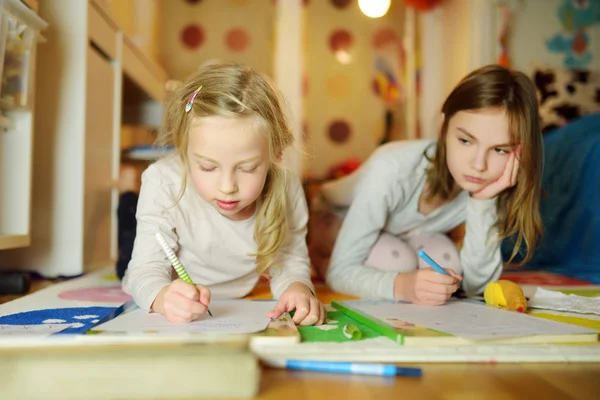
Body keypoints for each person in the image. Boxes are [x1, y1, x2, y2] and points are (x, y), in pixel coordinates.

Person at [311, 64, 543, 305]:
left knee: (446, 269)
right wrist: (403, 287)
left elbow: (476, 287)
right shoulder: (392, 167)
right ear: (443, 128)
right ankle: (318, 258)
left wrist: (483, 201)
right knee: (397, 263)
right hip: (333, 217)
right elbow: (342, 271)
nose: (479, 164)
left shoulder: (489, 185)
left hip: (405, 235)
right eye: (465, 140)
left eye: (499, 149)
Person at [123, 62, 325, 326]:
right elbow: (144, 269)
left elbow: (290, 260)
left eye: (247, 168)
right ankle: (126, 203)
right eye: (208, 167)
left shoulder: (287, 188)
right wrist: (163, 297)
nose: (227, 186)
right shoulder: (163, 181)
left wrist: (298, 288)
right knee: (128, 239)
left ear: (276, 154)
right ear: (184, 153)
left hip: (237, 291)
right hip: (168, 267)